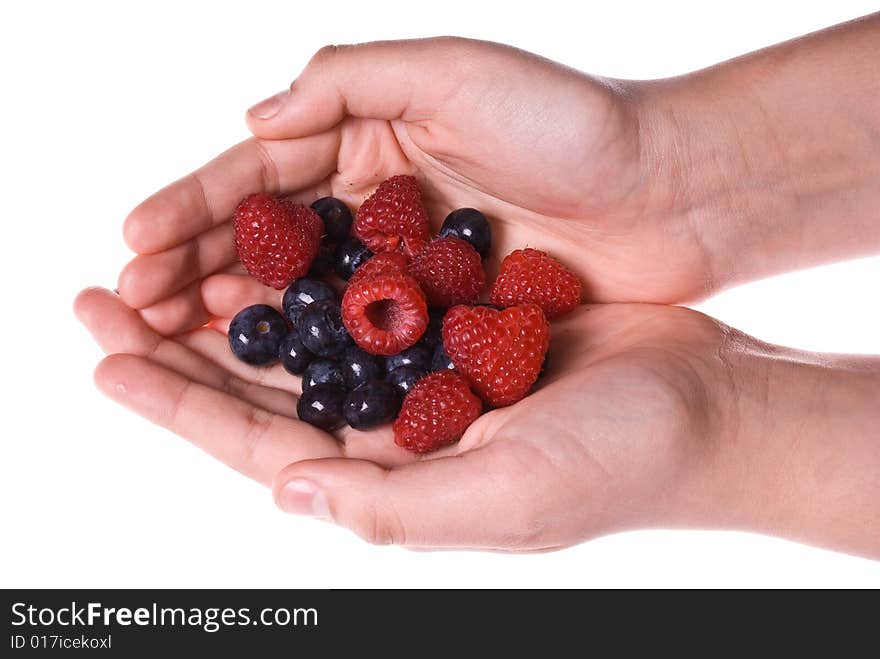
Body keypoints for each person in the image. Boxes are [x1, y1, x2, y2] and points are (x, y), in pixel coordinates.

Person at [74, 14, 879, 558]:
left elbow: (442, 295)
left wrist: (662, 170)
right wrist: (712, 417)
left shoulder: (431, 280)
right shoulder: (374, 292)